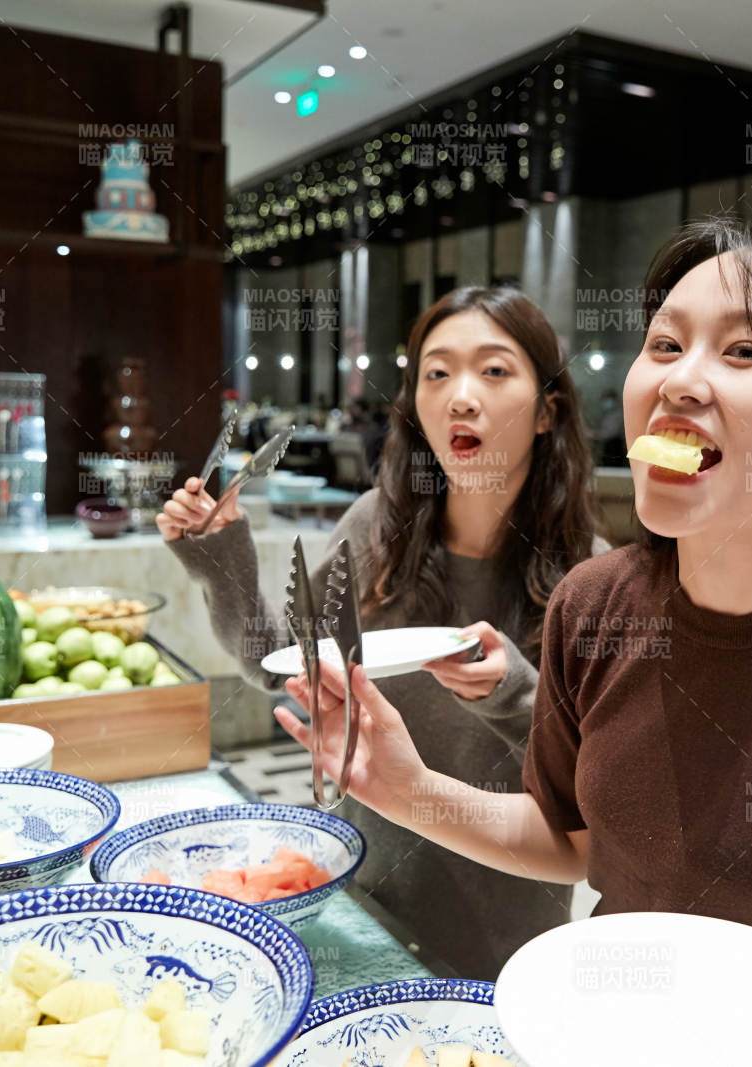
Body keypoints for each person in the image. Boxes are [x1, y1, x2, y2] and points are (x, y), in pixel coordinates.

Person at [280, 215, 752, 1067]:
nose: (679, 382)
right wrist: (406, 788)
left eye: (743, 352)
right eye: (664, 345)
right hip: (603, 1034)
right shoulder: (592, 605)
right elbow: (572, 838)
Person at [159, 286, 608, 978]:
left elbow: (598, 785)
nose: (461, 396)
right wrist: (223, 559)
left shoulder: (596, 575)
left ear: (549, 411)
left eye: (494, 370)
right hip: (365, 901)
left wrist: (515, 690)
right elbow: (283, 664)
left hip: (509, 932)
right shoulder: (376, 527)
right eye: (437, 373)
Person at [594, 388, 624, 466]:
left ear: (614, 399)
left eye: (607, 398)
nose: (605, 402)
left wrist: (594, 434)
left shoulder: (618, 414)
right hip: (609, 446)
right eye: (603, 399)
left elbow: (610, 434)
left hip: (615, 446)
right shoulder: (609, 414)